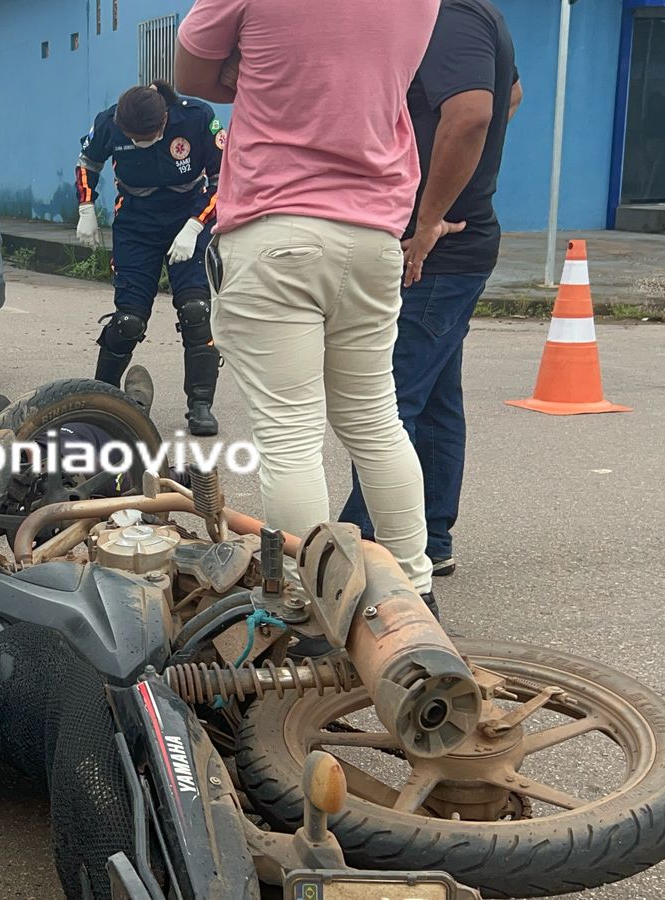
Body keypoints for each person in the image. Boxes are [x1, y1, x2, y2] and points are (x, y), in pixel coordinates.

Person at [174, 0, 440, 608]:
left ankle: (318, 604)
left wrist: (250, 66)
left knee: (290, 435)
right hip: (375, 233)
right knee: (375, 419)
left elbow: (190, 77)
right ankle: (413, 591)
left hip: (277, 226)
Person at [338, 0, 522, 579]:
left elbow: (471, 114)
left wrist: (429, 217)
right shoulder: (465, 12)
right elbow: (507, 96)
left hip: (436, 249)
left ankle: (365, 547)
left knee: (388, 404)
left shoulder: (449, 15)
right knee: (436, 395)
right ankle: (432, 535)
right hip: (451, 245)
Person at [75, 81, 223, 437]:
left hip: (188, 214)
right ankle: (103, 399)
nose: (140, 143)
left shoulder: (197, 117)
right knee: (128, 320)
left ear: (165, 120)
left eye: (147, 137)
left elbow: (225, 178)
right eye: (133, 138)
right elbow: (87, 162)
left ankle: (200, 404)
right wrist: (85, 206)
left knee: (195, 310)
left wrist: (196, 225)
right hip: (136, 222)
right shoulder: (110, 121)